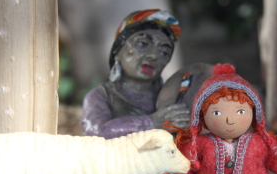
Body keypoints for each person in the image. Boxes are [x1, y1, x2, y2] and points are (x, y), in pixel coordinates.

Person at [81, 10, 211, 139]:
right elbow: (96, 131)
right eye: (142, 44)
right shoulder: (101, 96)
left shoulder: (171, 97)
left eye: (164, 52)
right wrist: (152, 122)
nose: (153, 55)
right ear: (118, 50)